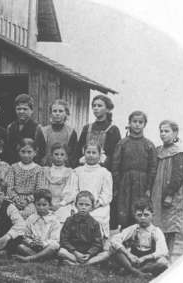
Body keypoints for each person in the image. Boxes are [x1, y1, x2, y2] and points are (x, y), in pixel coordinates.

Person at [76, 95, 120, 229]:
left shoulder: (112, 129)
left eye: (99, 106)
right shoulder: (87, 128)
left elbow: (115, 154)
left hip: (102, 173)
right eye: (94, 106)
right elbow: (79, 150)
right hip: (86, 171)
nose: (96, 108)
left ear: (107, 109)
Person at [112, 111, 157, 229]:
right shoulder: (122, 143)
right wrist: (117, 184)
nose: (137, 125)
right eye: (134, 122)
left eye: (140, 122)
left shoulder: (149, 145)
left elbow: (153, 167)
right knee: (124, 210)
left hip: (142, 182)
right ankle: (125, 238)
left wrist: (148, 186)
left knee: (139, 209)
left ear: (144, 124)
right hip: (125, 182)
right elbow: (115, 165)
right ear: (129, 123)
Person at [151, 120, 183, 257]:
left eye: (167, 131)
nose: (163, 134)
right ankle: (155, 256)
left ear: (175, 133)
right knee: (156, 223)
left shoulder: (177, 152)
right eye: (161, 131)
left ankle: (167, 256)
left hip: (169, 193)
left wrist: (170, 194)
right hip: (157, 192)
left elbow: (178, 177)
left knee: (169, 225)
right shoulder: (158, 150)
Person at [110, 199, 169, 278]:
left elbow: (163, 250)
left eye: (146, 215)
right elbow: (115, 239)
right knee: (113, 249)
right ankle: (137, 272)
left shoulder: (156, 231)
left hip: (148, 261)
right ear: (135, 215)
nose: (143, 218)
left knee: (163, 262)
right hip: (133, 259)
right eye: (139, 215)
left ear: (152, 215)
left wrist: (145, 258)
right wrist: (129, 255)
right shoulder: (134, 228)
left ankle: (131, 270)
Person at [67, 143, 113, 238]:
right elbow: (73, 190)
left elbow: (107, 194)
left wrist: (96, 204)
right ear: (84, 153)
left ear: (99, 155)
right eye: (88, 152)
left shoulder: (105, 173)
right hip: (79, 204)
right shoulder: (77, 171)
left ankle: (97, 242)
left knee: (96, 217)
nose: (91, 155)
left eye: (94, 152)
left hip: (97, 206)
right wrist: (81, 204)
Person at [57, 191, 105, 265]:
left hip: (87, 254)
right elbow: (64, 240)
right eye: (81, 204)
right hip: (73, 252)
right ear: (76, 205)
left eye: (87, 205)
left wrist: (89, 254)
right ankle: (82, 263)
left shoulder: (95, 223)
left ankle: (77, 263)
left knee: (104, 255)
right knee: (61, 252)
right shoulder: (70, 220)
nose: (83, 207)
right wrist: (75, 252)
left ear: (92, 207)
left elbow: (98, 244)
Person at [13, 189, 60, 262]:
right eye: (38, 205)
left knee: (53, 247)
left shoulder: (54, 220)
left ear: (49, 205)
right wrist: (31, 242)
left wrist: (43, 243)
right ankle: (43, 259)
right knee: (20, 246)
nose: (41, 208)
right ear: (34, 204)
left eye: (44, 205)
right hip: (34, 247)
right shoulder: (31, 218)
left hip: (47, 248)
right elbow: (25, 235)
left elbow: (55, 240)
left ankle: (29, 258)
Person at [6, 138, 44, 219]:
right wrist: (16, 200)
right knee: (9, 211)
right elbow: (9, 187)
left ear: (35, 153)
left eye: (29, 152)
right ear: (18, 152)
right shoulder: (13, 167)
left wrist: (27, 200)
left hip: (31, 201)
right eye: (23, 152)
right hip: (14, 199)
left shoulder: (39, 169)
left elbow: (39, 190)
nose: (26, 155)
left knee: (31, 213)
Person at [6, 94, 46, 164]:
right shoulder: (10, 127)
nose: (21, 111)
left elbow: (41, 152)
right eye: (19, 109)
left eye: (25, 109)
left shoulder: (37, 128)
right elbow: (8, 149)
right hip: (14, 165)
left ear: (31, 110)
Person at [42, 143, 76, 224]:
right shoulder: (46, 171)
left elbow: (70, 191)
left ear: (66, 157)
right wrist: (47, 203)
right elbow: (43, 188)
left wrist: (60, 204)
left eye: (62, 154)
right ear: (51, 156)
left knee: (62, 216)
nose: (59, 157)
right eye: (56, 154)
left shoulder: (70, 172)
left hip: (63, 204)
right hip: (47, 202)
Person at [41, 100, 77, 167]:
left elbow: (73, 155)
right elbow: (39, 153)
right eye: (54, 111)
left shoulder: (71, 132)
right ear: (50, 113)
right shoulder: (43, 131)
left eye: (60, 111)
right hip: (47, 168)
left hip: (65, 169)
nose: (57, 113)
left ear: (66, 113)